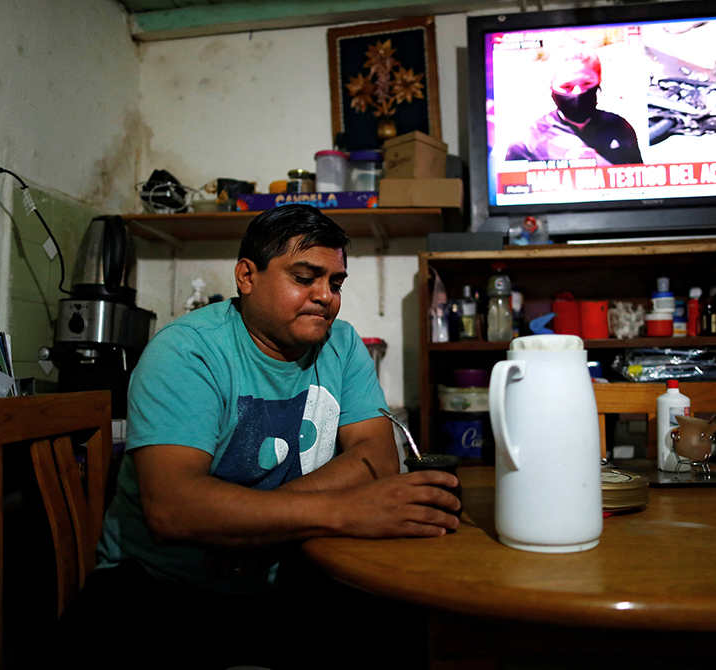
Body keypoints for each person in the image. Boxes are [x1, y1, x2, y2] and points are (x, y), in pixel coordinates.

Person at [46, 204, 459, 670]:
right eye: (305, 277)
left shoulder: (341, 344)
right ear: (247, 275)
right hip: (165, 584)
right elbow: (173, 509)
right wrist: (344, 510)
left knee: (419, 637)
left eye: (336, 283)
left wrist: (256, 535)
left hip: (296, 572)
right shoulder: (186, 352)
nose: (326, 296)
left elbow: (377, 458)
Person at [505, 41, 643, 166]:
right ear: (551, 87)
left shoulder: (620, 128)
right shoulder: (529, 141)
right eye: (567, 86)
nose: (578, 93)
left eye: (587, 83)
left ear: (599, 82)